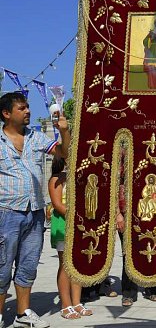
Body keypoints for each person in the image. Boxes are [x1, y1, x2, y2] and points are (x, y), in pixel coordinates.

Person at [0, 92, 70, 328]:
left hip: (35, 212)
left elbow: (64, 153)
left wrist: (64, 131)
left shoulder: (36, 137)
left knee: (28, 264)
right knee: (2, 266)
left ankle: (23, 313)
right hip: (6, 211)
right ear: (6, 114)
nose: (28, 111)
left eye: (28, 107)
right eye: (22, 108)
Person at [115, 147, 156, 307]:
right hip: (125, 211)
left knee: (150, 248)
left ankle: (152, 288)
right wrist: (117, 213)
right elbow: (113, 187)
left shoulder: (147, 156)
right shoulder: (120, 158)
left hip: (146, 211)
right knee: (128, 252)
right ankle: (128, 293)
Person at [48, 157, 93, 320]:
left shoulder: (78, 177)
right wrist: (78, 215)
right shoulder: (56, 178)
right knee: (66, 265)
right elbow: (57, 204)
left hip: (79, 226)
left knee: (78, 265)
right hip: (63, 225)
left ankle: (77, 302)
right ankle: (65, 304)